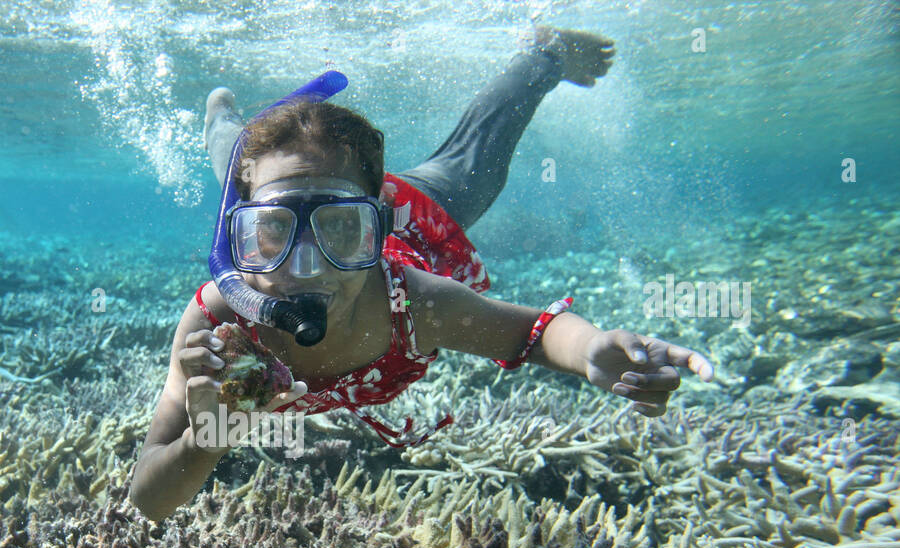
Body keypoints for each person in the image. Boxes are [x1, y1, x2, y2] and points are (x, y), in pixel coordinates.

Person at [129, 27, 714, 522]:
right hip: (275, 191)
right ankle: (221, 117)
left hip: (417, 214)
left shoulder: (415, 300)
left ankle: (543, 54)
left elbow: (531, 334)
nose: (305, 265)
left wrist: (589, 349)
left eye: (341, 228)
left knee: (472, 166)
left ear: (377, 229)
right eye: (275, 229)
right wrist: (207, 440)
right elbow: (148, 498)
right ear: (243, 235)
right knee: (234, 160)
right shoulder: (219, 321)